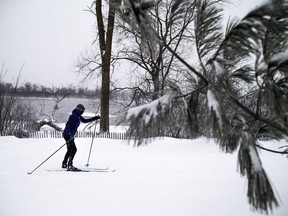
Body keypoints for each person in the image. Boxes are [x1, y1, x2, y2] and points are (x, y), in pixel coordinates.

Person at [62, 104, 100, 171]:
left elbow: (85, 121)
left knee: (70, 149)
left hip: (68, 134)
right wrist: (70, 134)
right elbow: (68, 125)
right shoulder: (73, 116)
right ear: (79, 109)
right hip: (68, 134)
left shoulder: (78, 116)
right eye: (82, 110)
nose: (83, 111)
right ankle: (70, 165)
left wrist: (94, 118)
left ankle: (64, 163)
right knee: (73, 150)